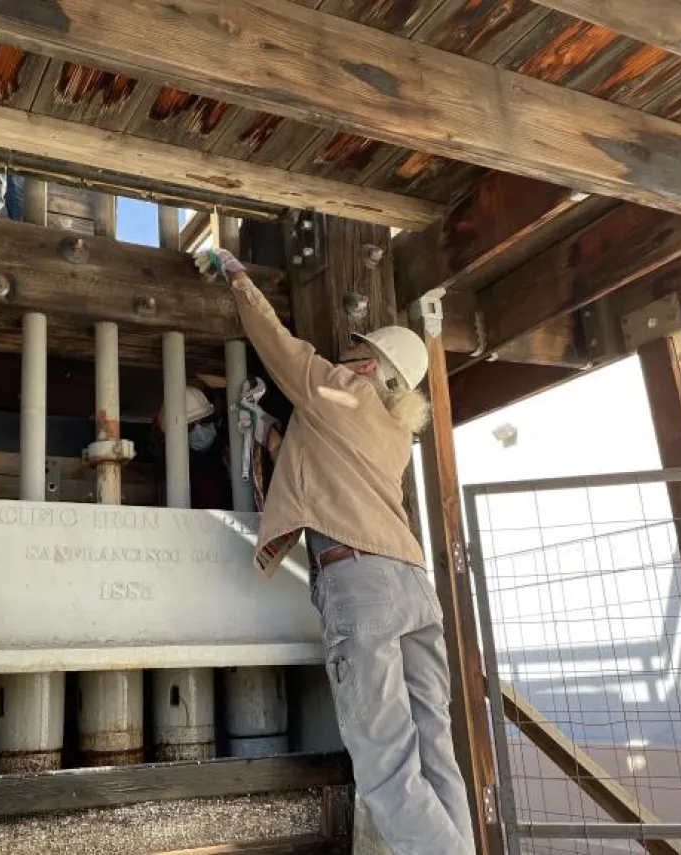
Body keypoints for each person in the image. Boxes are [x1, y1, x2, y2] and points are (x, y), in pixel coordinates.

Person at [194, 249, 474, 855]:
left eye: (356, 351)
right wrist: (265, 428)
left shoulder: (338, 388)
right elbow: (323, 464)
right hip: (414, 587)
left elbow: (277, 344)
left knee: (387, 767)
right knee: (434, 750)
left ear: (372, 367)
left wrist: (238, 276)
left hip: (362, 584)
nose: (345, 354)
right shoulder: (395, 430)